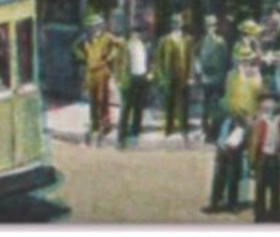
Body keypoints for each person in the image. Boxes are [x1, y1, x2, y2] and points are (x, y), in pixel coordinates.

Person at [73, 13, 122, 145]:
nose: (93, 29)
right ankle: (95, 124)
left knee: (103, 99)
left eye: (95, 26)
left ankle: (105, 124)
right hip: (91, 72)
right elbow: (75, 47)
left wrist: (110, 57)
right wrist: (82, 57)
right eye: (90, 27)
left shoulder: (106, 37)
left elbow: (118, 45)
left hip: (102, 71)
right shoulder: (85, 39)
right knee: (93, 99)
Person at [249, 92, 280, 222]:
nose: (270, 107)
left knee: (275, 186)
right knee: (261, 186)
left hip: (274, 156)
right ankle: (261, 213)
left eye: (272, 104)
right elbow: (255, 142)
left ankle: (274, 211)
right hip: (264, 156)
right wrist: (253, 161)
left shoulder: (279, 120)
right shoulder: (260, 121)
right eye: (267, 105)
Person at [156, 13, 194, 141]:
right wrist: (161, 76)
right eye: (174, 22)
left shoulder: (187, 39)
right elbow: (159, 59)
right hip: (169, 75)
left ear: (182, 24)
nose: (176, 25)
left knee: (183, 103)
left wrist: (190, 75)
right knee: (169, 102)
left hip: (183, 75)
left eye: (178, 22)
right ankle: (169, 127)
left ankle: (184, 128)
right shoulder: (165, 40)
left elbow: (191, 59)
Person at [204, 112, 248, 214]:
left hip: (234, 153)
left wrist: (239, 147)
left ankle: (232, 204)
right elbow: (211, 132)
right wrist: (216, 141)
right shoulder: (220, 117)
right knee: (218, 178)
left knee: (233, 179)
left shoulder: (241, 119)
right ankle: (215, 203)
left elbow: (246, 136)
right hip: (221, 151)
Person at [118, 18, 151, 148]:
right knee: (126, 108)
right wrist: (120, 79)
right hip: (129, 79)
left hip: (141, 78)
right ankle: (122, 135)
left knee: (138, 108)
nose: (136, 35)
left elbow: (150, 61)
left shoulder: (145, 46)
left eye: (138, 33)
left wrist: (149, 73)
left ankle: (134, 133)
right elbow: (119, 64)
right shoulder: (125, 47)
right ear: (130, 34)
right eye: (134, 33)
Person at [196, 15, 230, 140]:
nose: (210, 28)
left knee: (217, 105)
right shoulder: (202, 41)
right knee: (206, 105)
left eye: (212, 25)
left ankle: (216, 130)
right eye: (208, 25)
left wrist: (225, 77)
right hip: (206, 77)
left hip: (218, 77)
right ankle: (205, 129)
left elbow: (225, 61)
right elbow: (198, 58)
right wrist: (199, 72)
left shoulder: (220, 41)